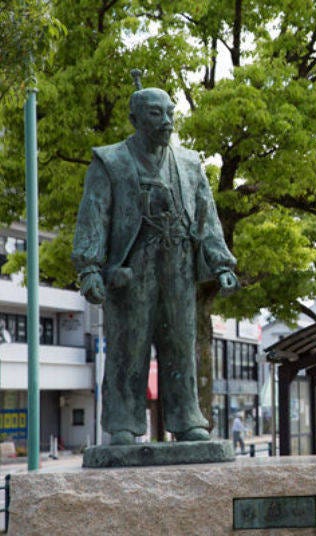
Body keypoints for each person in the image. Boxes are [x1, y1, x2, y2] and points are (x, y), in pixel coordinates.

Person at [72, 71, 239, 446]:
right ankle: (123, 424)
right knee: (128, 348)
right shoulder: (110, 161)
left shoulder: (190, 163)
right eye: (155, 114)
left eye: (169, 113)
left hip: (177, 267)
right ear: (134, 118)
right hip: (131, 271)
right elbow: (94, 216)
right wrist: (90, 269)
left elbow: (206, 217)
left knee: (181, 345)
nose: (166, 121)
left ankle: (186, 419)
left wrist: (222, 264)